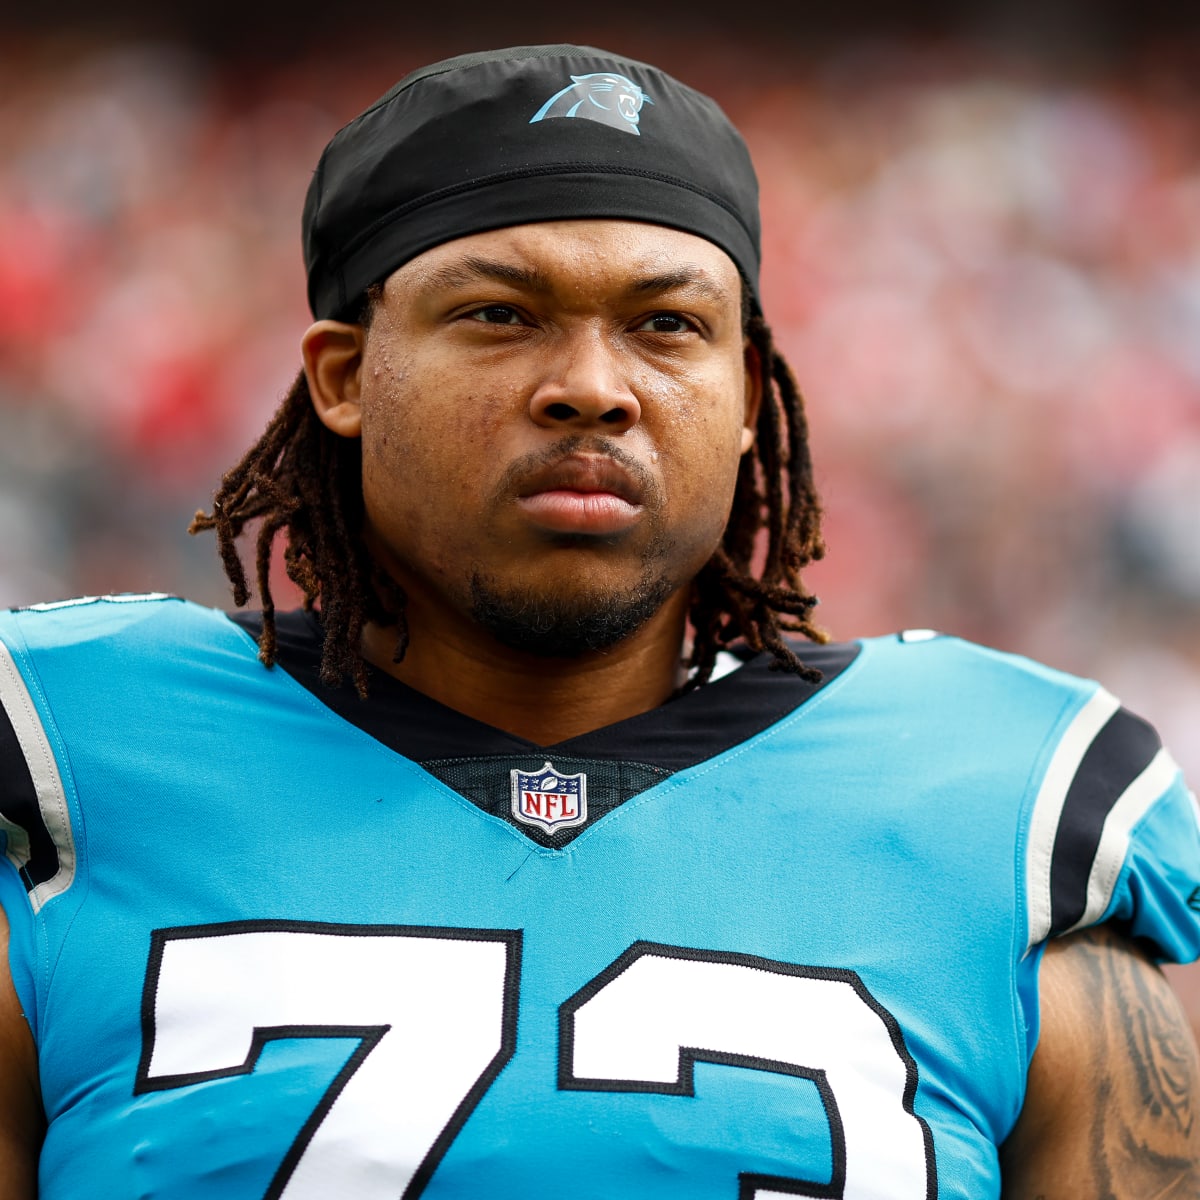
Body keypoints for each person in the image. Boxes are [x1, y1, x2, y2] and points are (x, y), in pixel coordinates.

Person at [0, 42, 1197, 1199]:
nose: (593, 384)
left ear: (744, 394)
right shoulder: (75, 758)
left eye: (667, 325)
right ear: (343, 378)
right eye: (499, 315)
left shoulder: (1003, 802)